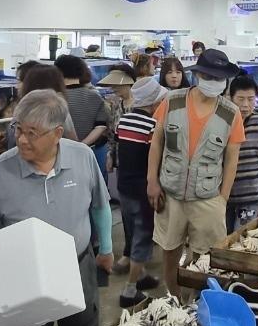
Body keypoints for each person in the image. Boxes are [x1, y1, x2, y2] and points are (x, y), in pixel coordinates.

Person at [0, 91, 113, 326]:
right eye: (18, 129)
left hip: (78, 266)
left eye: (32, 133)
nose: (22, 139)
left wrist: (106, 249)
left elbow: (100, 206)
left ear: (58, 134)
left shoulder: (82, 157)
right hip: (26, 278)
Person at [147, 50, 245, 295]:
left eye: (220, 78)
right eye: (210, 76)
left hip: (208, 198)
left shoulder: (230, 113)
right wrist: (152, 180)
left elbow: (232, 160)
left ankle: (197, 305)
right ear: (198, 74)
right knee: (169, 252)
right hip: (170, 194)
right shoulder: (173, 101)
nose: (215, 82)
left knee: (205, 260)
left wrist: (222, 199)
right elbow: (156, 142)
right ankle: (174, 300)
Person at [114, 77, 165, 307]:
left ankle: (142, 276)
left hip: (123, 187)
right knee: (143, 238)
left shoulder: (123, 121)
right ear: (154, 101)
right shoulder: (152, 126)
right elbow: (155, 159)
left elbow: (117, 149)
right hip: (143, 189)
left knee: (132, 232)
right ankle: (129, 290)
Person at [227, 75, 258, 230]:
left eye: (251, 99)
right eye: (240, 99)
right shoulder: (221, 122)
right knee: (220, 239)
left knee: (242, 236)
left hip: (251, 194)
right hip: (223, 195)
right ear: (230, 97)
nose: (246, 105)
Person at [55, 54, 111, 165]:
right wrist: (82, 144)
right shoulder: (95, 96)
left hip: (63, 151)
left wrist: (76, 146)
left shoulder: (54, 98)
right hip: (95, 150)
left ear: (58, 72)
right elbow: (100, 126)